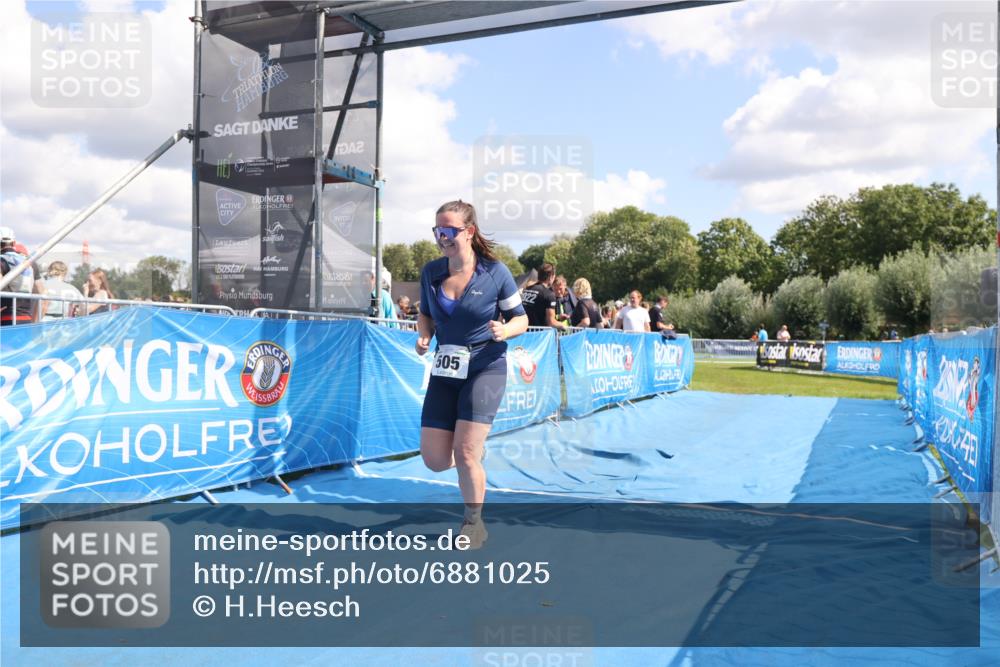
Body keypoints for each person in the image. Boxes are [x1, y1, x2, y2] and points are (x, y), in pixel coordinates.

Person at [416, 200, 529, 548]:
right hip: (445, 369)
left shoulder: (495, 273)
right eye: (438, 231)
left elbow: (521, 319)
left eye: (449, 231)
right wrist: (424, 334)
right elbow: (425, 314)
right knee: (435, 460)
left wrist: (504, 331)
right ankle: (472, 454)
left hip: (486, 367)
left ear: (469, 232)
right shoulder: (431, 272)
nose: (442, 238)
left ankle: (473, 523)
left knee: (465, 452)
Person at [0, 227, 34, 326]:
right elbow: (40, 290)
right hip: (26, 316)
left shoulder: (1, 261)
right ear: (14, 243)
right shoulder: (28, 262)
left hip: (6, 316)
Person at [521, 263, 566, 331]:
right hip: (539, 336)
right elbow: (551, 322)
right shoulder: (549, 294)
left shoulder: (527, 289)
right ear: (551, 276)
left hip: (523, 334)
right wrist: (563, 326)